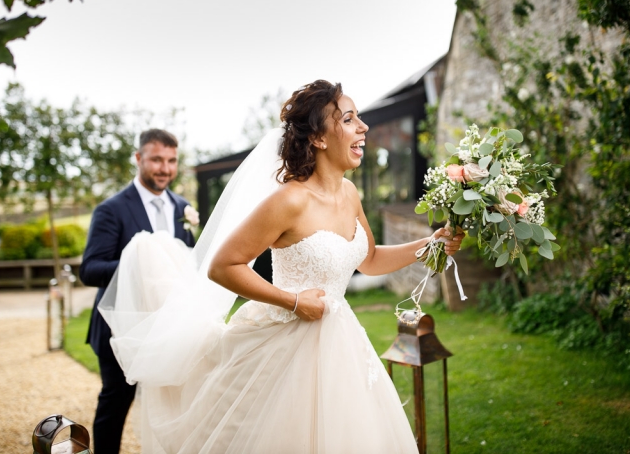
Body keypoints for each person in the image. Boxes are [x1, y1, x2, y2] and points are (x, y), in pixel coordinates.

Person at [98, 80, 463, 453]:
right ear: (319, 138)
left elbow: (367, 260)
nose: (364, 127)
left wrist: (429, 245)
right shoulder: (288, 200)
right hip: (286, 347)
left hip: (341, 341)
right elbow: (224, 266)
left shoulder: (350, 194)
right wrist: (292, 301)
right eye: (350, 119)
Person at [80, 128, 196, 454]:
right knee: (115, 404)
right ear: (139, 158)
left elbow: (188, 263)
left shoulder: (182, 208)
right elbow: (89, 269)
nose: (165, 169)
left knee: (174, 405)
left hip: (172, 328)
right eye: (157, 159)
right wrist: (141, 263)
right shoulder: (112, 209)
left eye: (172, 161)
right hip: (122, 328)